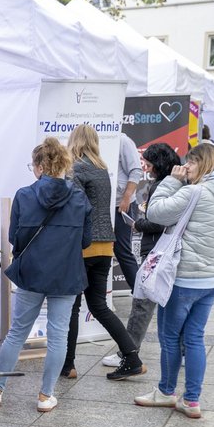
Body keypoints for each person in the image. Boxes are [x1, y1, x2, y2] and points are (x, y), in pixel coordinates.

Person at [135, 143, 214, 418]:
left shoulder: (194, 191)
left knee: (170, 338)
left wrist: (173, 180)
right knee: (194, 338)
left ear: (202, 163)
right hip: (211, 279)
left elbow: (155, 212)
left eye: (190, 163)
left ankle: (166, 392)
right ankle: (192, 400)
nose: (186, 167)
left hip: (183, 279)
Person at [0, 137, 91, 413]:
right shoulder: (79, 197)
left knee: (17, 331)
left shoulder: (24, 195)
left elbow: (14, 239)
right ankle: (45, 395)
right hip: (66, 275)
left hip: (32, 272)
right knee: (58, 336)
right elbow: (86, 240)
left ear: (40, 165)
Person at [60, 125, 146, 381]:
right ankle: (131, 356)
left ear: (73, 141)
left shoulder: (75, 168)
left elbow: (74, 206)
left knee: (72, 308)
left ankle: (69, 365)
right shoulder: (102, 168)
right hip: (105, 246)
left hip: (82, 246)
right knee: (99, 306)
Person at [102, 143, 182, 368]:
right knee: (172, 306)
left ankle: (128, 352)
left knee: (142, 305)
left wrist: (139, 224)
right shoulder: (175, 184)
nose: (145, 166)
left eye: (148, 162)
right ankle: (181, 351)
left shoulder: (164, 186)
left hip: (157, 250)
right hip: (167, 250)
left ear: (159, 162)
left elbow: (160, 220)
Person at [113, 132, 143, 292]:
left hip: (121, 204)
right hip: (103, 203)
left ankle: (140, 292)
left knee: (122, 249)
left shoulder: (123, 140)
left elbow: (136, 171)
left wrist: (125, 199)